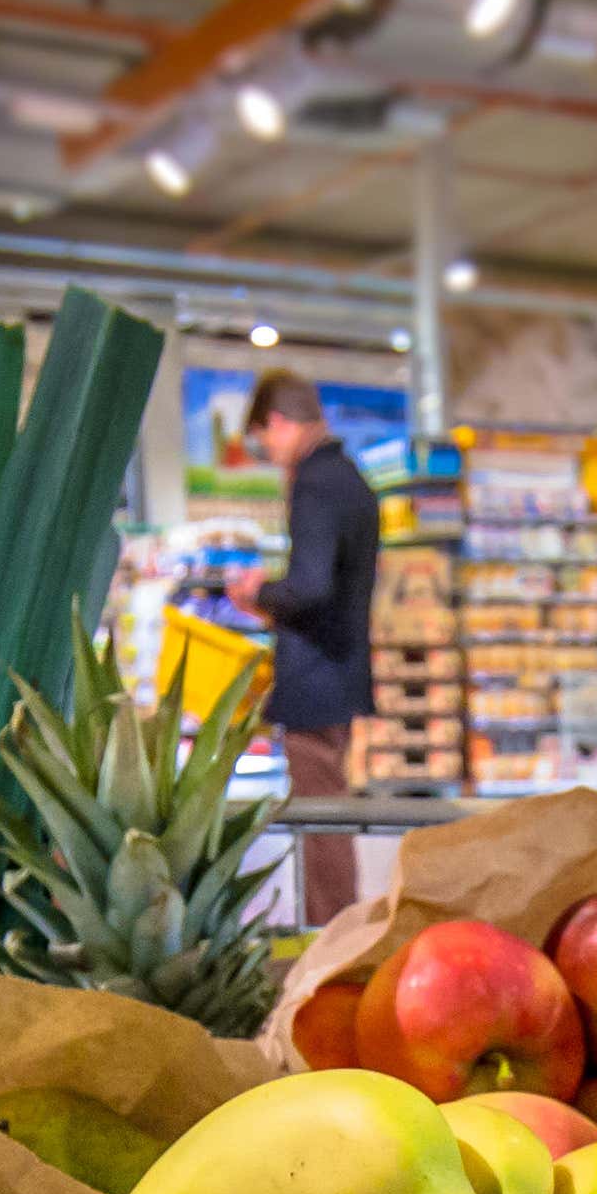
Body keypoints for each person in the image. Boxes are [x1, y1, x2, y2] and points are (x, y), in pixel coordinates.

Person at [232, 370, 379, 925]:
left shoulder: (315, 482)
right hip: (341, 671)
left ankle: (330, 936)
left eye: (264, 439)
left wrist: (258, 593)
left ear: (278, 422)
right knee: (329, 814)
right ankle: (336, 930)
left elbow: (311, 584)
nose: (268, 451)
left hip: (316, 678)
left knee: (321, 822)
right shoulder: (351, 478)